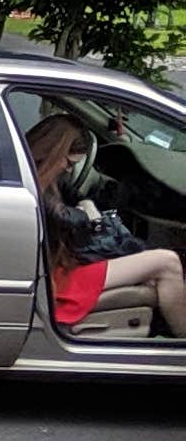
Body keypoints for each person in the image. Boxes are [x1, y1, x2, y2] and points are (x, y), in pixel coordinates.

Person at [24, 113, 186, 340]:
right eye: (68, 163)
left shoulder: (31, 172)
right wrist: (87, 213)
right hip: (59, 278)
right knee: (168, 262)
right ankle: (181, 344)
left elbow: (68, 197)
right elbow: (63, 217)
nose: (69, 170)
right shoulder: (34, 181)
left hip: (59, 266)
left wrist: (86, 203)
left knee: (153, 273)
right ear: (54, 151)